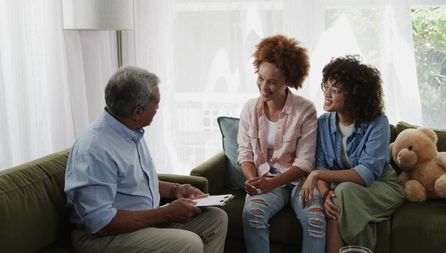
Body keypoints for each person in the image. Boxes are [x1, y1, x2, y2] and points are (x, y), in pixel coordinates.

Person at [64, 66, 227, 253]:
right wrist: (165, 213)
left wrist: (176, 190)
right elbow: (100, 222)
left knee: (215, 219)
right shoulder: (95, 149)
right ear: (137, 112)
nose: (158, 109)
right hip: (104, 237)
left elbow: (137, 180)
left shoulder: (130, 131)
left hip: (140, 224)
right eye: (156, 104)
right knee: (189, 243)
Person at [301, 55, 405, 253]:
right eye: (326, 87)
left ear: (355, 96)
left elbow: (365, 173)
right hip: (343, 191)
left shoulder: (378, 122)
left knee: (344, 192)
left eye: (336, 90)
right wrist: (325, 195)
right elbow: (322, 163)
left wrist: (316, 175)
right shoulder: (323, 123)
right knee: (340, 196)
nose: (327, 94)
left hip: (382, 187)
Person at [237, 34, 325, 253]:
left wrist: (274, 184)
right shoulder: (250, 108)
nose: (263, 87)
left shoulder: (305, 110)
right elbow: (245, 153)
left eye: (272, 82)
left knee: (316, 221)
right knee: (252, 215)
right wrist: (252, 180)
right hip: (264, 179)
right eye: (260, 78)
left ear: (288, 81)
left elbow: (305, 161)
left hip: (298, 181)